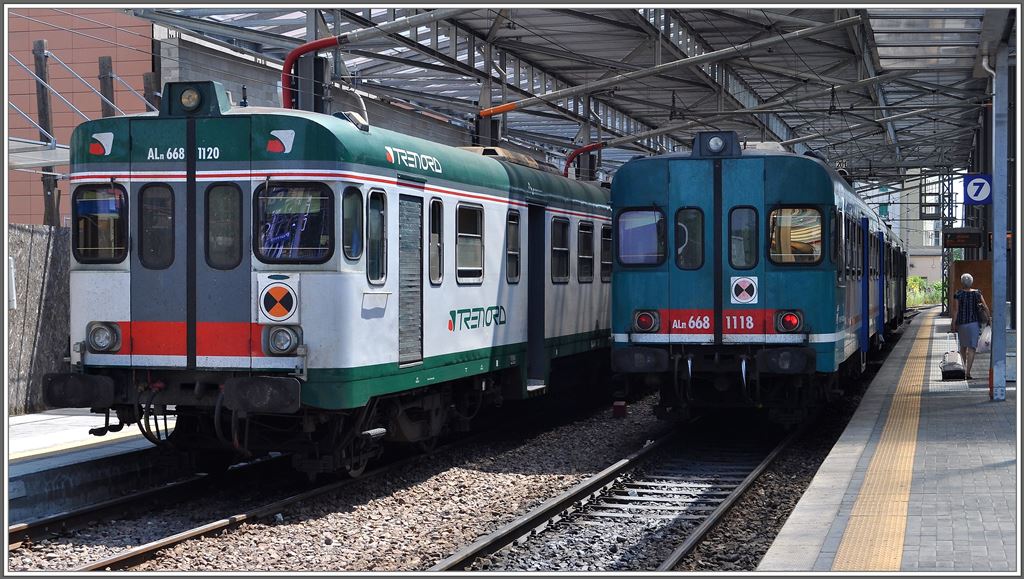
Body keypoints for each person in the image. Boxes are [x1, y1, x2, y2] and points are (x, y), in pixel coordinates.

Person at [951, 272, 989, 380]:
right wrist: (989, 318)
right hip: (974, 324)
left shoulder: (958, 294)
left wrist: (953, 323)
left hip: (962, 324)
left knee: (963, 347)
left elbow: (956, 310)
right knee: (972, 348)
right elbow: (985, 306)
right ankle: (968, 373)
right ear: (971, 282)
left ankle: (963, 370)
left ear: (962, 282)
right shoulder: (977, 293)